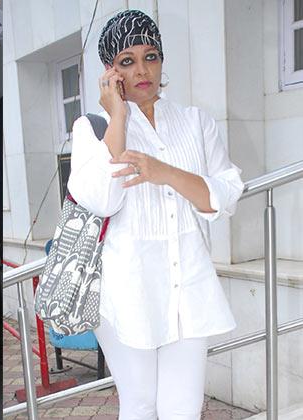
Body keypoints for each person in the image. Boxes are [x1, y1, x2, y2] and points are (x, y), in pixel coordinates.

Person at [68, 10, 244, 420]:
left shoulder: (195, 122)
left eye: (151, 56)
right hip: (126, 289)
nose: (143, 70)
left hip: (190, 285)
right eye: (127, 61)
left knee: (183, 408)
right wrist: (118, 116)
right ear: (110, 70)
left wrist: (163, 172)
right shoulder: (92, 127)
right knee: (141, 404)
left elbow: (225, 195)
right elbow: (101, 199)